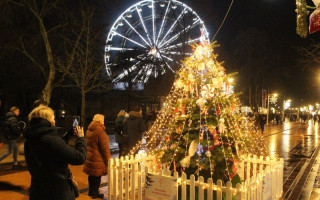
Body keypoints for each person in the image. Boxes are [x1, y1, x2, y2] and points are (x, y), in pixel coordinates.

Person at [24, 105, 87, 200]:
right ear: (48, 119)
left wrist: (68, 135)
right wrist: (81, 139)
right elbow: (79, 158)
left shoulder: (30, 139)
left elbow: (52, 150)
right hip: (57, 191)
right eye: (53, 117)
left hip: (38, 189)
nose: (55, 119)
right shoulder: (51, 140)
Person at [83, 114, 111, 199]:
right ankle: (95, 193)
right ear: (100, 121)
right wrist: (109, 160)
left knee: (91, 175)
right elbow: (105, 148)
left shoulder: (89, 129)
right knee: (97, 176)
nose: (103, 122)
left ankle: (91, 191)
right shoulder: (100, 131)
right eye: (103, 120)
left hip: (90, 156)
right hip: (98, 158)